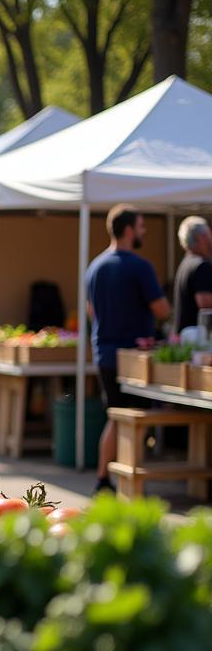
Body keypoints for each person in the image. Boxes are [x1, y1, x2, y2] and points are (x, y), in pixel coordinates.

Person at [87, 205, 170, 492]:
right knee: (135, 420)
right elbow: (162, 310)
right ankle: (130, 481)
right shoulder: (139, 266)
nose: (144, 231)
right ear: (129, 230)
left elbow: (90, 310)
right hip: (134, 358)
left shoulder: (95, 267)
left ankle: (103, 478)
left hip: (105, 353)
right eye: (141, 226)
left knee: (115, 415)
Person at [173, 215, 212, 333]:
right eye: (209, 235)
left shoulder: (186, 263)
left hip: (186, 338)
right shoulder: (201, 266)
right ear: (202, 237)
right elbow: (206, 305)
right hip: (196, 341)